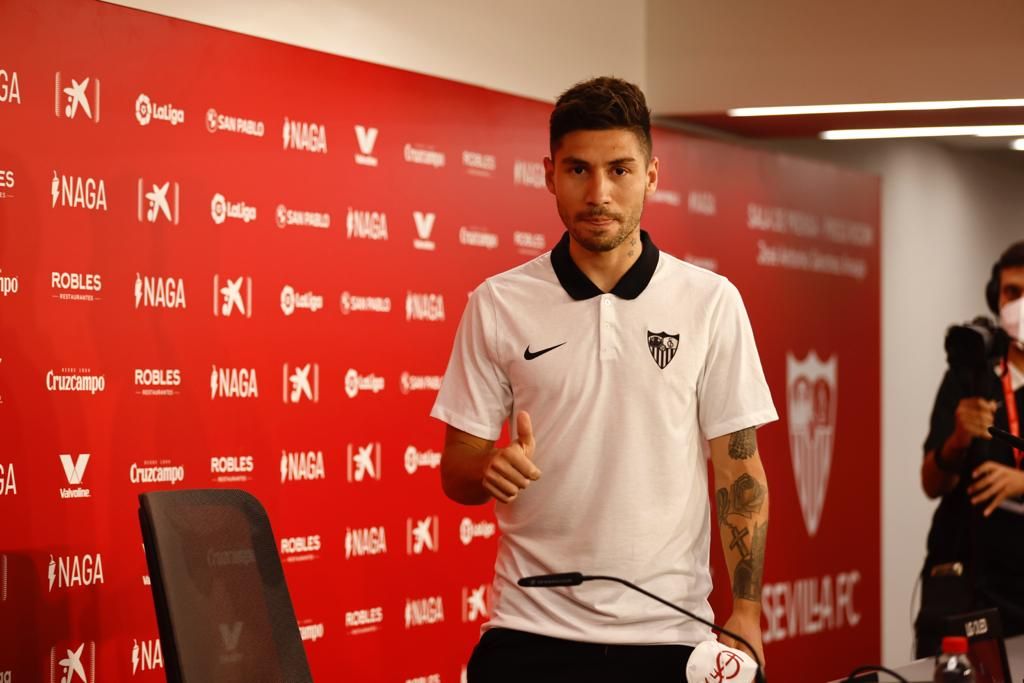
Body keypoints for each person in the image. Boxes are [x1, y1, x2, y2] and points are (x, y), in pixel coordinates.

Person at [430, 76, 778, 682]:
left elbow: (738, 469)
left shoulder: (710, 301)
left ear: (651, 173)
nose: (599, 192)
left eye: (619, 169)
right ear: (549, 173)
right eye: (578, 170)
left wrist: (745, 610)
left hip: (672, 633)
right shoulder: (497, 303)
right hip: (529, 627)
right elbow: (457, 468)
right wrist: (486, 469)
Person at [916, 241, 1024, 657]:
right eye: (1012, 293)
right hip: (965, 581)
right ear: (995, 296)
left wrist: (1020, 481)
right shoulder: (968, 375)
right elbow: (930, 482)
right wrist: (957, 440)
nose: (1019, 304)